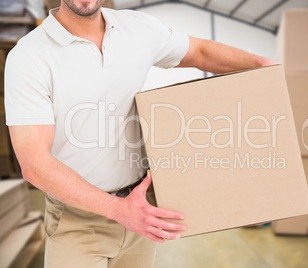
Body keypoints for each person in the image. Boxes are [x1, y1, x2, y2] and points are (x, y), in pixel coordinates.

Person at [4, 0, 274, 267]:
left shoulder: (137, 28)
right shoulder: (29, 56)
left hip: (141, 207)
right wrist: (120, 211)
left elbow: (200, 52)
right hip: (78, 220)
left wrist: (261, 64)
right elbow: (34, 163)